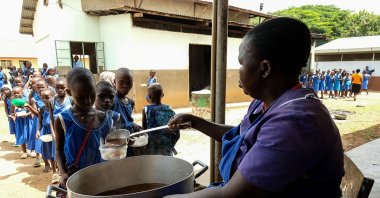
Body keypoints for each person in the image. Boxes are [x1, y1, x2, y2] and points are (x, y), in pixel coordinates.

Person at [167, 17, 344, 198]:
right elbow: (240, 136)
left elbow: (231, 195)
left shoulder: (296, 122)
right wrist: (196, 122)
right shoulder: (265, 102)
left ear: (265, 69)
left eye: (241, 63)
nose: (238, 71)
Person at [54, 67, 112, 189]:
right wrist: (63, 173)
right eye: (81, 97)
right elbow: (59, 150)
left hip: (100, 178)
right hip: (75, 178)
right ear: (69, 93)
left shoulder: (103, 118)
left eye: (92, 95)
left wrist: (125, 141)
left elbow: (110, 146)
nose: (88, 101)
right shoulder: (62, 120)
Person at [137, 83, 179, 156]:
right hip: (166, 148)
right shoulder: (169, 109)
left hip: (152, 148)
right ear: (163, 95)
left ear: (149, 96)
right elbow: (177, 133)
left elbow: (144, 130)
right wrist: (171, 145)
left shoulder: (146, 109)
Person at [36, 88, 59, 183]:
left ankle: (59, 168)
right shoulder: (41, 109)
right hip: (46, 132)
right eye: (43, 98)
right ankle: (54, 173)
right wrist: (38, 130)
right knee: (50, 153)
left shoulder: (55, 108)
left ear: (53, 97)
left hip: (56, 132)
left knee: (57, 152)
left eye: (48, 98)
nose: (45, 100)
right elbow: (40, 122)